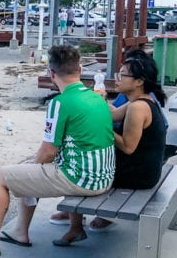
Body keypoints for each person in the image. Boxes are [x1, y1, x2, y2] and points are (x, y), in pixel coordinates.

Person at [0, 44, 114, 254]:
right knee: (29, 169)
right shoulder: (97, 97)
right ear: (80, 69)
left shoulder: (60, 103)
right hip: (103, 176)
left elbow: (48, 153)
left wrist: (33, 169)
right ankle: (20, 230)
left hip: (81, 179)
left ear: (52, 73)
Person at [49, 51, 167, 242]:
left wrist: (100, 128)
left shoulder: (138, 108)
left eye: (123, 74)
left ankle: (75, 225)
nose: (117, 78)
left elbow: (128, 147)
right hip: (145, 169)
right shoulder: (140, 101)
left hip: (138, 175)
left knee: (79, 165)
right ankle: (72, 214)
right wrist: (97, 100)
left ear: (138, 81)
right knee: (84, 157)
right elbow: (112, 114)